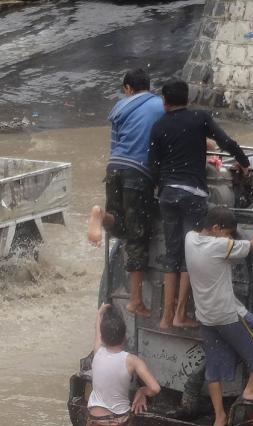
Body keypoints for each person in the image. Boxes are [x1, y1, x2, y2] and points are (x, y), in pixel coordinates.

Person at [148, 80, 251, 330]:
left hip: (167, 195)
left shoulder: (159, 126)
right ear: (188, 99)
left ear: (164, 102)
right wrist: (244, 163)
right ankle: (180, 315)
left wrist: (159, 190)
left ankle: (165, 317)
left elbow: (153, 164)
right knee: (189, 255)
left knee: (171, 256)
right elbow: (226, 142)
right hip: (193, 194)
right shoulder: (199, 119)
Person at [185, 206, 253, 426]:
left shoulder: (190, 239)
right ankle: (251, 389)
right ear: (217, 228)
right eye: (228, 232)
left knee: (214, 366)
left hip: (205, 316)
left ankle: (219, 416)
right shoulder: (219, 246)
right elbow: (252, 246)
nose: (229, 237)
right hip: (228, 314)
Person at [86, 69, 166, 317]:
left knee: (118, 224)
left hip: (114, 168)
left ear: (129, 89)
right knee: (137, 236)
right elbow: (166, 138)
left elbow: (116, 144)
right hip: (138, 172)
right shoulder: (159, 106)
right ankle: (135, 300)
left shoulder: (119, 108)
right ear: (147, 87)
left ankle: (101, 214)